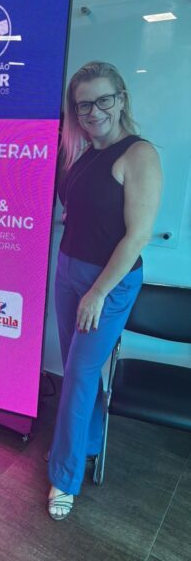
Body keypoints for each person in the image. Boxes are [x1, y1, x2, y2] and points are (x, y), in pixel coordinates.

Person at [47, 61, 162, 519]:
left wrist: (97, 292)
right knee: (79, 369)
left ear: (121, 98)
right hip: (68, 270)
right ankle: (88, 442)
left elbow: (137, 236)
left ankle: (64, 476)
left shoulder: (139, 154)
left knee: (77, 374)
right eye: (83, 105)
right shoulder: (84, 153)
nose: (93, 111)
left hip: (108, 283)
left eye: (102, 100)